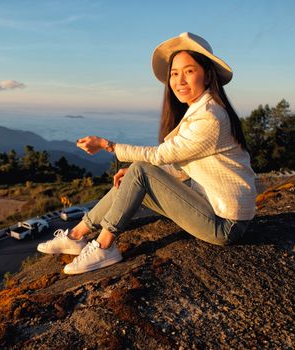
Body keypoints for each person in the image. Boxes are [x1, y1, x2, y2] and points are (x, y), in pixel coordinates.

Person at [37, 32, 256, 275]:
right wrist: (132, 173)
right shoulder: (200, 110)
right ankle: (77, 235)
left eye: (189, 71)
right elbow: (182, 165)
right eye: (174, 73)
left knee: (140, 170)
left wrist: (107, 145)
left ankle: (105, 246)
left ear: (207, 75)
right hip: (209, 209)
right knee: (132, 177)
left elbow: (161, 155)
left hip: (226, 224)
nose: (179, 80)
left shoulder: (210, 117)